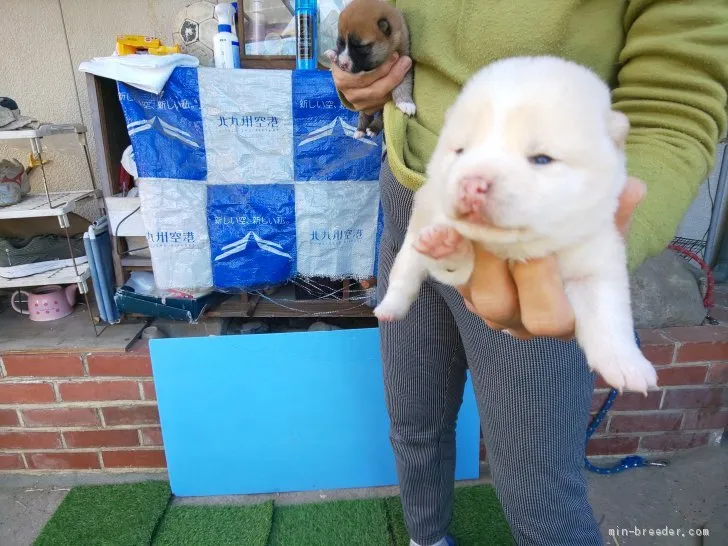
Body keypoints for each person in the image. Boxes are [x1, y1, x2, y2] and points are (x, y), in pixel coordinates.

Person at [332, 2, 728, 545]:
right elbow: (387, 29)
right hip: (410, 193)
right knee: (413, 420)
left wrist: (584, 247)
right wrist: (365, 85)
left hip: (528, 235)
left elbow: (672, 106)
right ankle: (427, 539)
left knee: (539, 484)